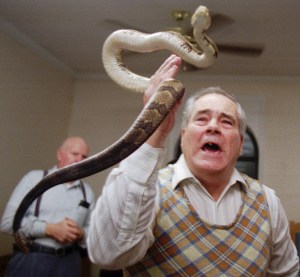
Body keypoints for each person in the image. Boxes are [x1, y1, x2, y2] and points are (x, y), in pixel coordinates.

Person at [87, 54, 300, 276]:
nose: (213, 127)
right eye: (201, 119)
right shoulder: (152, 191)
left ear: (240, 144)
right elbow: (108, 255)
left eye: (226, 121)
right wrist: (153, 129)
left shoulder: (268, 202)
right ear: (184, 135)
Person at [1, 136, 95, 277]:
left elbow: (93, 233)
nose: (79, 160)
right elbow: (7, 222)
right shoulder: (34, 179)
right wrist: (49, 229)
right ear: (59, 154)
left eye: (84, 157)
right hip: (32, 259)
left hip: (70, 263)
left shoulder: (87, 192)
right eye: (74, 154)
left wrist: (80, 233)